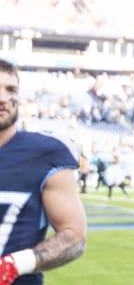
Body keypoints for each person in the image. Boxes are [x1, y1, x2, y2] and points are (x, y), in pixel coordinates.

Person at [0, 58, 87, 284]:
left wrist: (15, 264)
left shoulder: (45, 154)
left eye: (11, 89)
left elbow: (74, 235)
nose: (3, 98)